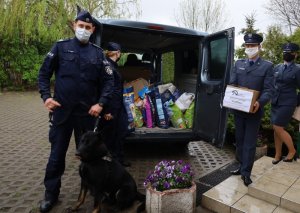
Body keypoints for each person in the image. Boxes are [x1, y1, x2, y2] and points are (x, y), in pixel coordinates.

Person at [38, 10, 114, 212]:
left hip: (87, 115)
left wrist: (101, 103)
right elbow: (44, 73)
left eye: (88, 27)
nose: (84, 30)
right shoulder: (60, 47)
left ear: (93, 29)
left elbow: (109, 81)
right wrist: (46, 97)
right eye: (81, 26)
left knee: (91, 158)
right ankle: (50, 195)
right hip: (62, 113)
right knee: (56, 156)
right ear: (74, 25)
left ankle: (94, 193)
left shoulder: (98, 54)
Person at [229, 33, 273, 186]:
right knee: (239, 141)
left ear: (259, 47)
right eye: (247, 46)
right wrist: (232, 94)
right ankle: (241, 166)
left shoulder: (267, 66)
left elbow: (268, 90)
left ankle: (247, 173)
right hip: (239, 110)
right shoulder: (238, 64)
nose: (249, 48)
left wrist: (259, 103)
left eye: (252, 46)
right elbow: (232, 83)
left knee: (249, 142)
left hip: (254, 111)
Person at [100, 42, 131, 167]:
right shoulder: (107, 66)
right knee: (111, 135)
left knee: (121, 131)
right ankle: (111, 161)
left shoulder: (113, 65)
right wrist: (106, 110)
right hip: (111, 107)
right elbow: (106, 89)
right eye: (120, 52)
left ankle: (118, 158)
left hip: (118, 105)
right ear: (118, 53)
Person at [271, 42, 300, 164]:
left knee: (277, 126)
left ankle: (292, 151)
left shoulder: (298, 69)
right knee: (276, 129)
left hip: (288, 102)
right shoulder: (277, 67)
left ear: (296, 55)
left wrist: (296, 102)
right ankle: (278, 155)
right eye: (285, 52)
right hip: (275, 101)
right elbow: (272, 84)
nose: (287, 54)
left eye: (290, 53)